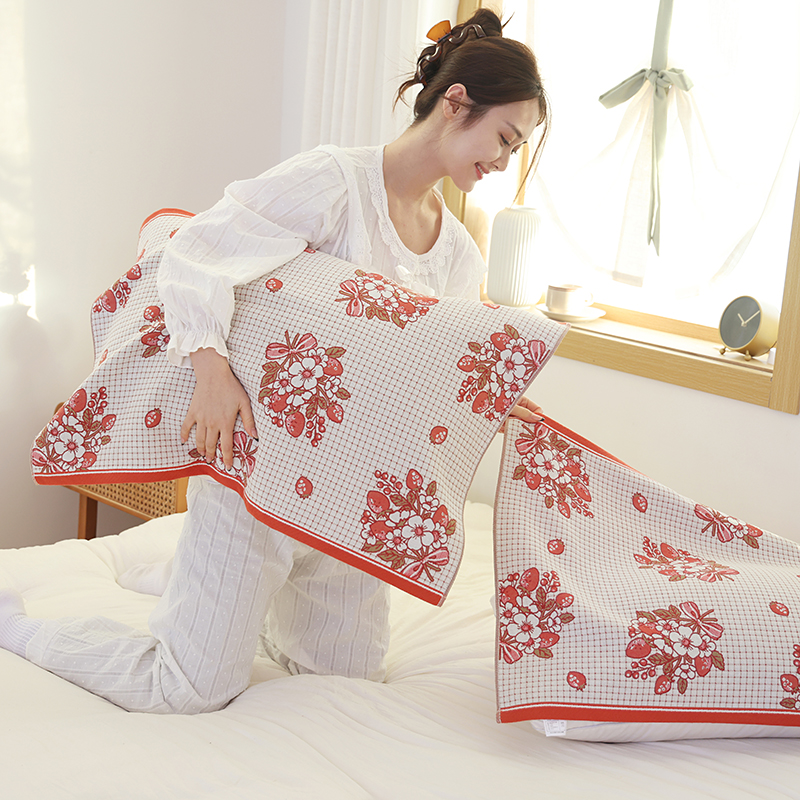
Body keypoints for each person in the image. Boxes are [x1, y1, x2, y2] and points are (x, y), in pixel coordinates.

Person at [0, 9, 548, 713]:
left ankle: (204, 592)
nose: (503, 161)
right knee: (186, 689)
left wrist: (494, 407)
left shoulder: (457, 255)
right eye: (505, 138)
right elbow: (196, 252)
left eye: (516, 148)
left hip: (347, 500)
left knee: (344, 685)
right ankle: (20, 627)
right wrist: (210, 371)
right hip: (255, 479)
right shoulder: (333, 183)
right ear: (457, 102)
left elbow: (429, 369)